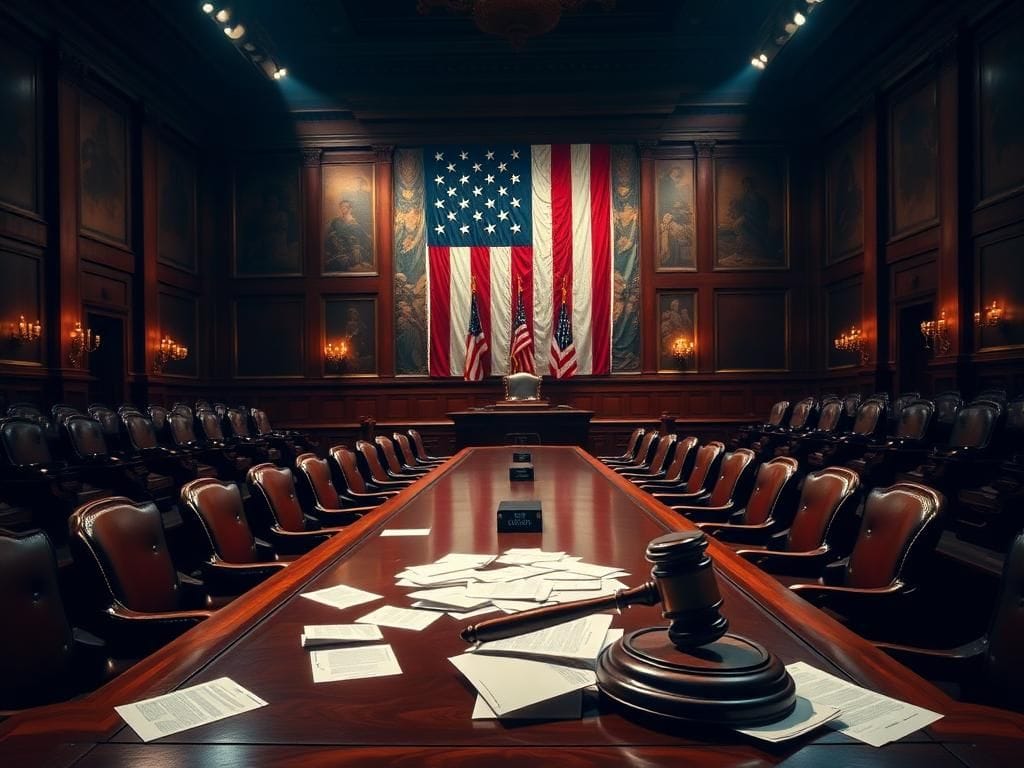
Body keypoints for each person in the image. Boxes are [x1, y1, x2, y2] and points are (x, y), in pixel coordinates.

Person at [325, 199, 373, 272]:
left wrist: (357, 248)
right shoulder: (336, 221)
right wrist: (333, 237)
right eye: (341, 207)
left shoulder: (356, 225)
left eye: (345, 207)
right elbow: (329, 235)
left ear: (350, 209)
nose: (342, 208)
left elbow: (365, 240)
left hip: (352, 253)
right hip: (337, 251)